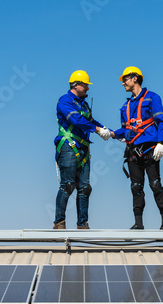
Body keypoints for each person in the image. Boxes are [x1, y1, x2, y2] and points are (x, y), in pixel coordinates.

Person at [111, 66, 163, 230]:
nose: (123, 83)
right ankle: (139, 224)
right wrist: (112, 134)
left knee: (155, 184)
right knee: (136, 187)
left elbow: (161, 122)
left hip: (150, 148)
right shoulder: (125, 106)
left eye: (125, 79)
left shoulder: (152, 98)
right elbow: (125, 130)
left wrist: (161, 143)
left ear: (135, 78)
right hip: (132, 152)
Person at [53, 70, 111, 230]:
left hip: (84, 149)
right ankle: (59, 223)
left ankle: (82, 224)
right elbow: (75, 120)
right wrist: (97, 130)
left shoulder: (83, 105)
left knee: (85, 187)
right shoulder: (64, 101)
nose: (88, 88)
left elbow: (91, 121)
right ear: (76, 85)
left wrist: (109, 131)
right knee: (68, 185)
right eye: (85, 85)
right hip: (68, 147)